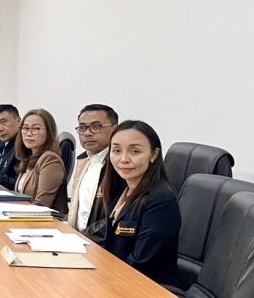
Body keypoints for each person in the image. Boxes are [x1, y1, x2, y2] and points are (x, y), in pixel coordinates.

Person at [101, 120, 181, 283]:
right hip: (116, 278)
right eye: (116, 151)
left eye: (135, 151)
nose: (123, 159)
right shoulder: (121, 188)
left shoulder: (161, 200)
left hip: (143, 287)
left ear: (154, 154)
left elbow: (141, 264)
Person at [68, 104, 123, 243]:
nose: (87, 133)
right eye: (82, 127)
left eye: (96, 126)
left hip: (98, 245)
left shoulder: (119, 166)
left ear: (115, 129)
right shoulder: (84, 160)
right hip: (80, 239)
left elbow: (114, 219)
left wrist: (79, 238)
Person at [13, 109, 68, 214]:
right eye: (25, 128)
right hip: (25, 216)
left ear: (49, 131)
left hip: (42, 221)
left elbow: (41, 205)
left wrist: (9, 214)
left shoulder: (50, 159)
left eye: (36, 129)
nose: (29, 133)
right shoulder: (29, 158)